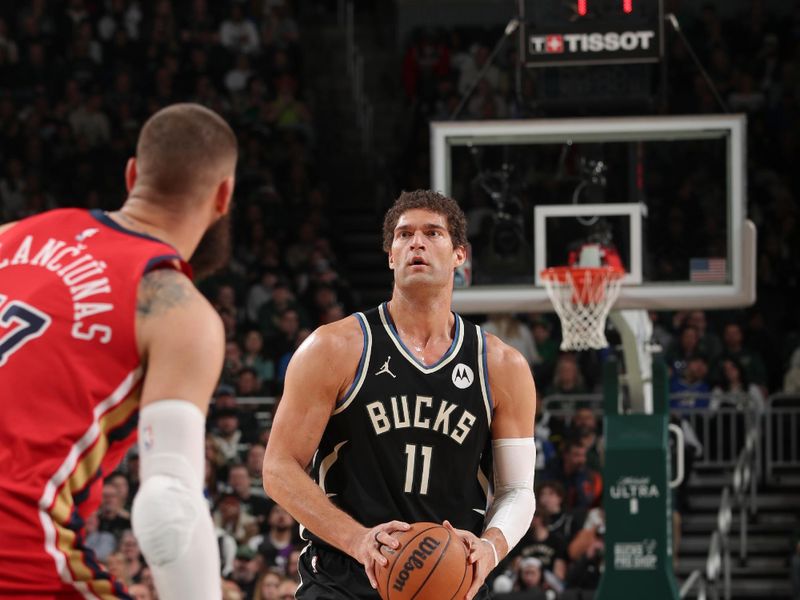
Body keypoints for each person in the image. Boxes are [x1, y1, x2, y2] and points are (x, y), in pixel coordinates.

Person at [0, 103, 237, 598]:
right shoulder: (177, 309)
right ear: (224, 195)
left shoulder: (11, 236)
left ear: (131, 174)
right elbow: (168, 506)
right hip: (20, 558)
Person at [263, 190, 538, 600]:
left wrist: (491, 546)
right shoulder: (335, 347)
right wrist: (358, 540)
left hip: (450, 580)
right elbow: (279, 468)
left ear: (460, 255)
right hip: (344, 577)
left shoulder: (501, 365)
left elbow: (517, 490)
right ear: (391, 256)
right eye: (404, 235)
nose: (417, 243)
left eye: (433, 233)